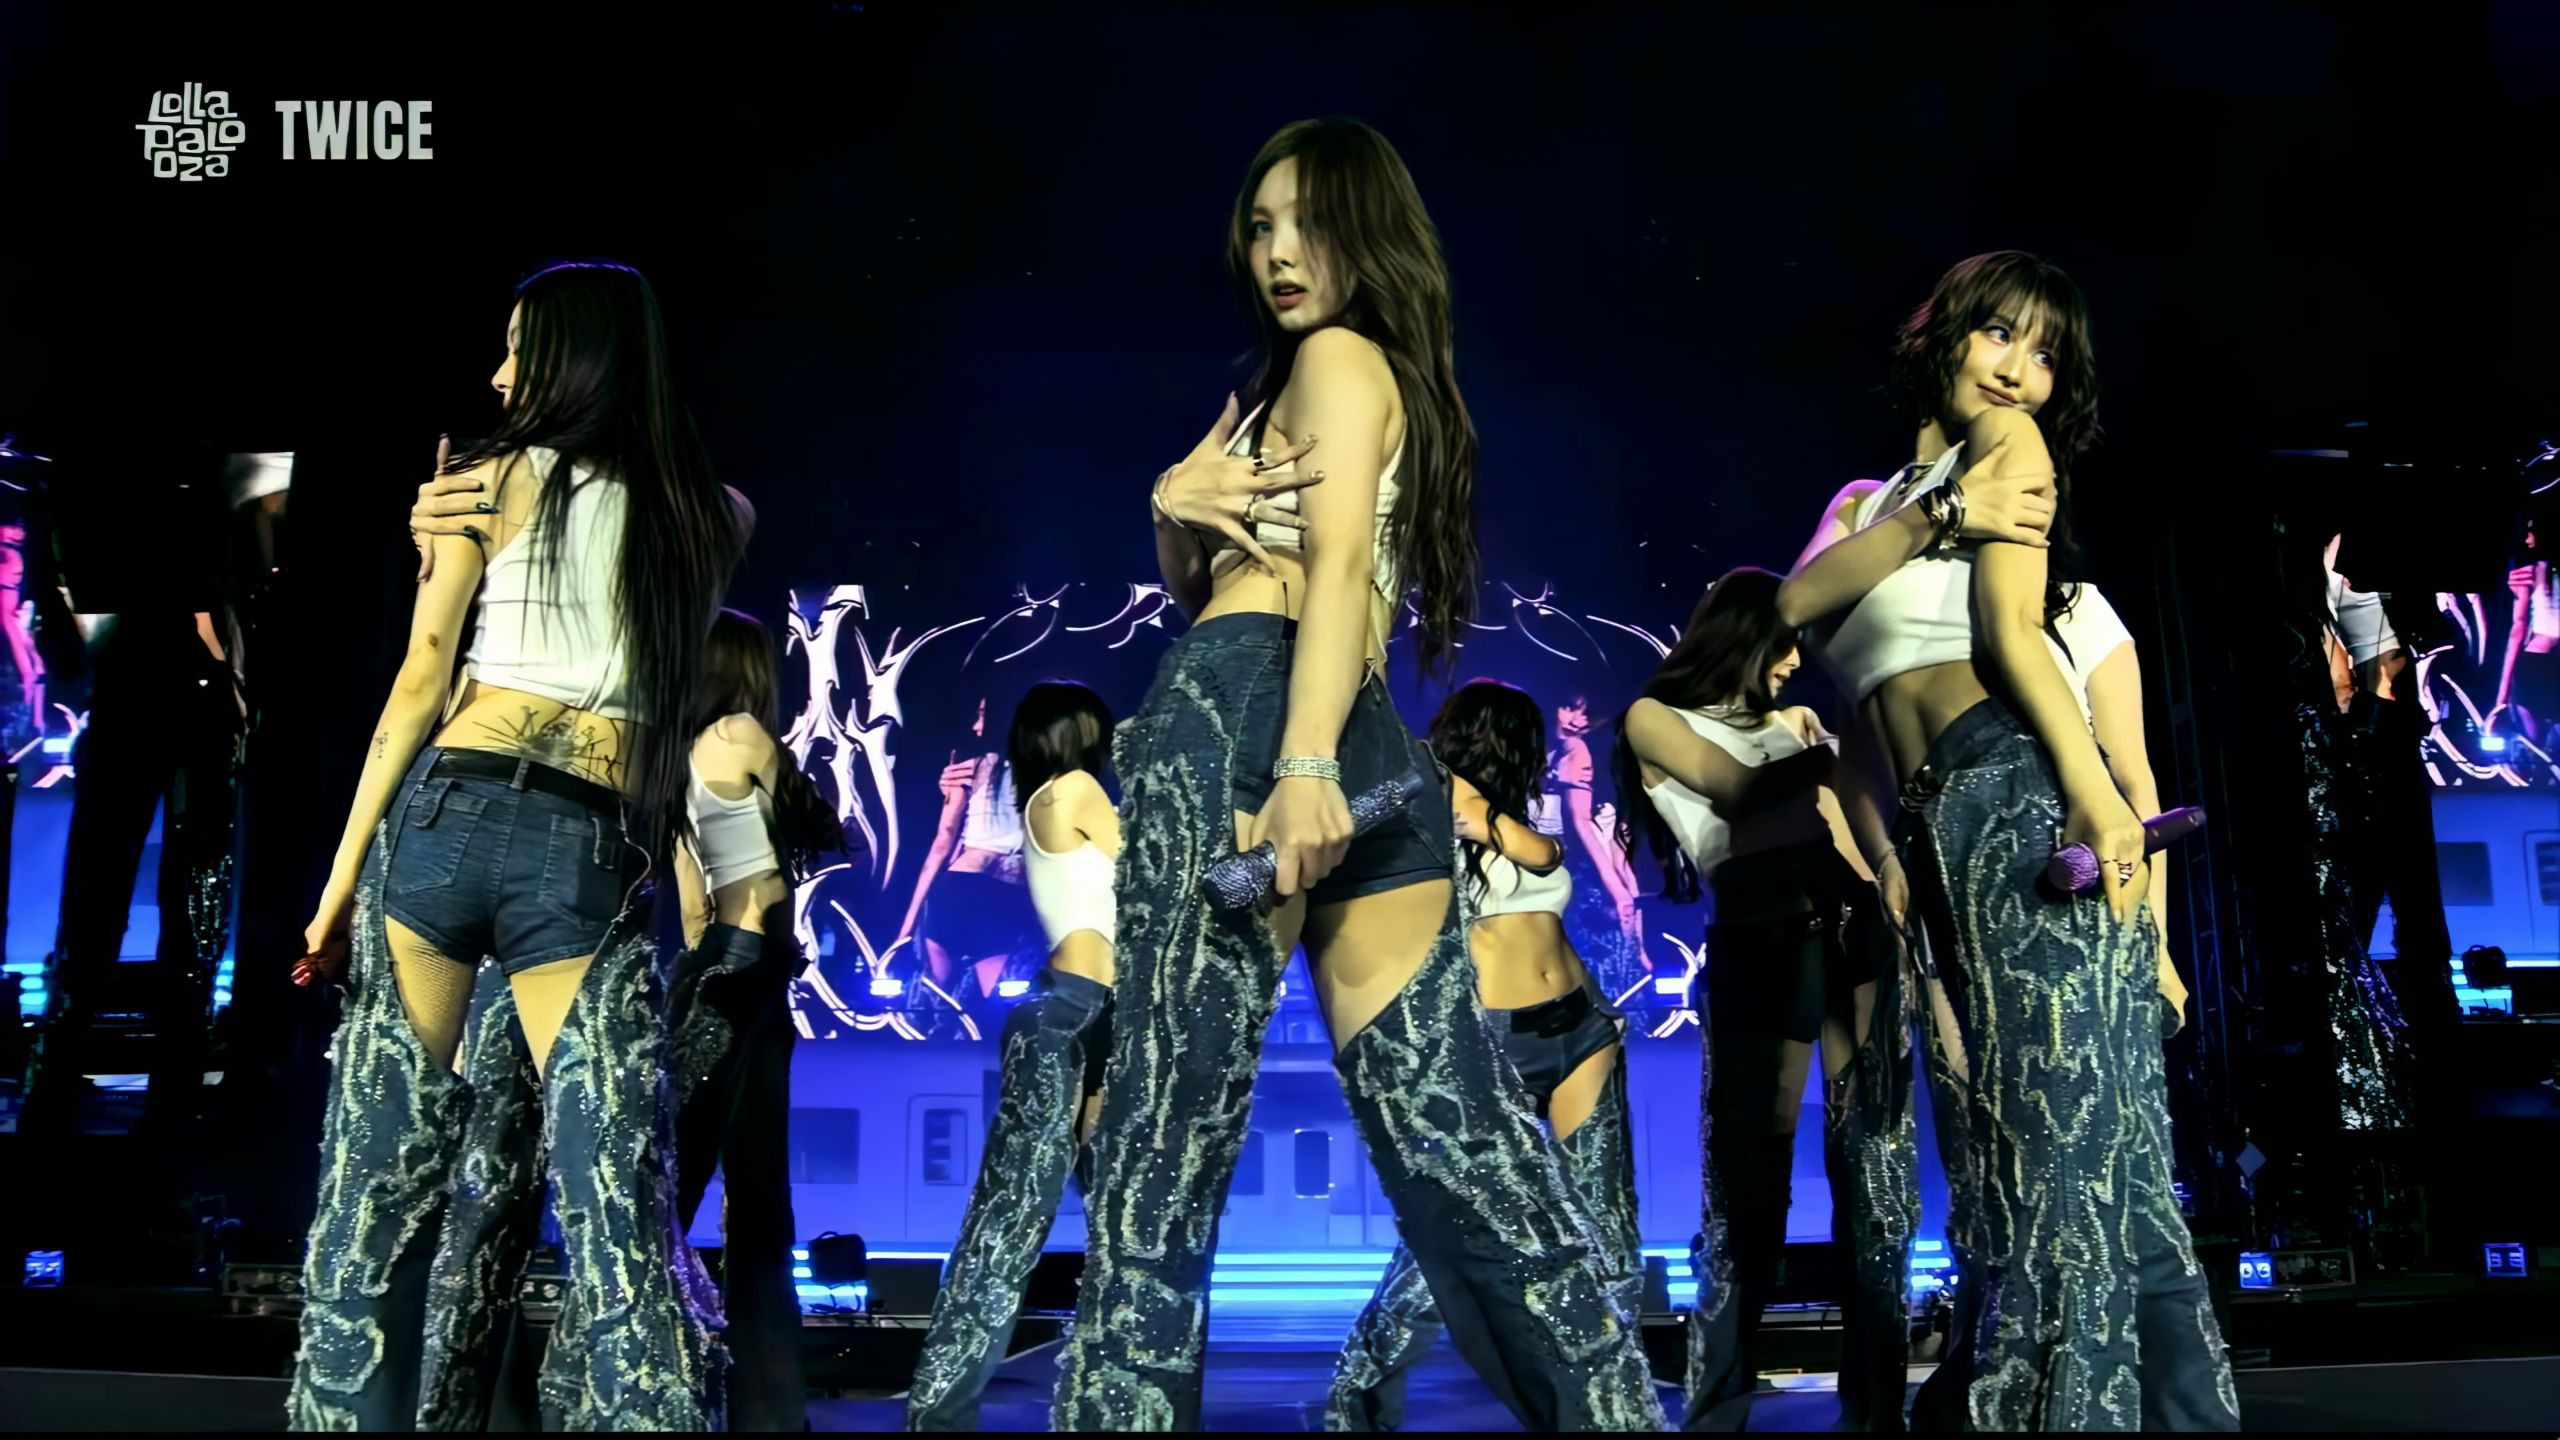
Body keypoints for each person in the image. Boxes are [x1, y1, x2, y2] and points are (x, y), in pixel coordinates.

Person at [1055, 118, 1661, 1431]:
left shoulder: (1332, 358)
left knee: (1165, 1149)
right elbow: (1229, 579)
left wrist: (1302, 761)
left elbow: (1317, 575)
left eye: (1308, 225)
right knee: (1462, 1144)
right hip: (1362, 727)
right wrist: (1173, 508)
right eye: (1259, 229)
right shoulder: (1366, 377)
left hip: (1257, 722)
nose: (1278, 253)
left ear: (1368, 232)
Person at [1773, 250, 2239, 1430]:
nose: (2020, 371)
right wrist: (1944, 513)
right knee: (2073, 1162)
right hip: (1945, 831)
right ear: (1942, 334)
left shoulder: (2013, 451)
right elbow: (1792, 608)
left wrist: (2098, 811)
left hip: (2022, 797)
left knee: (2061, 1159)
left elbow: (2015, 644)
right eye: (2000, 334)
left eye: (2046, 354)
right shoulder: (1869, 503)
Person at [285, 260, 732, 1430]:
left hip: (448, 818)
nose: (496, 375)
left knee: (377, 1197)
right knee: (613, 1212)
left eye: (520, 349)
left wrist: (338, 885)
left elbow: (418, 686)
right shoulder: (711, 515)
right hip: (576, 846)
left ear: (577, 358)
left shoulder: (480, 486)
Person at [1615, 568, 1913, 1431]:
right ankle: (1722, 1404)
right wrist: (1822, 751)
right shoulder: (1653, 716)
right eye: (1786, 642)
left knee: (1870, 1159)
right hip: (1760, 928)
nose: (1795, 661)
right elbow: (1737, 793)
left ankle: (1876, 1404)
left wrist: (1884, 878)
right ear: (1746, 636)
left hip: (1848, 919)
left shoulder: (1791, 723)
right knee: (1753, 1177)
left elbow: (1847, 823)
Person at [1327, 679, 1641, 1431]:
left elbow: (1546, 854)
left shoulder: (1504, 812)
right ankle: (1360, 1388)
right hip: (1490, 1041)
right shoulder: (1429, 797)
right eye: (1532, 744)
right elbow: (1539, 853)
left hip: (1580, 1026)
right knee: (1458, 1231)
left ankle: (1602, 1404)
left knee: (1606, 1227)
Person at [908, 681, 1120, 1431]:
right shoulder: (1075, 791)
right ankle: (940, 1411)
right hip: (1073, 1012)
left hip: (1084, 1011)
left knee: (1077, 1223)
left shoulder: (1045, 798)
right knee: (1014, 1227)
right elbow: (1159, 875)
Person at [897, 694, 1039, 1026]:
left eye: (983, 715)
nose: (976, 726)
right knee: (1001, 1011)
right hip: (1002, 894)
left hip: (959, 887)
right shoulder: (1050, 771)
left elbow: (941, 844)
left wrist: (906, 927)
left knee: (930, 1006)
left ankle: (916, 1056)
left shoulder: (970, 768)